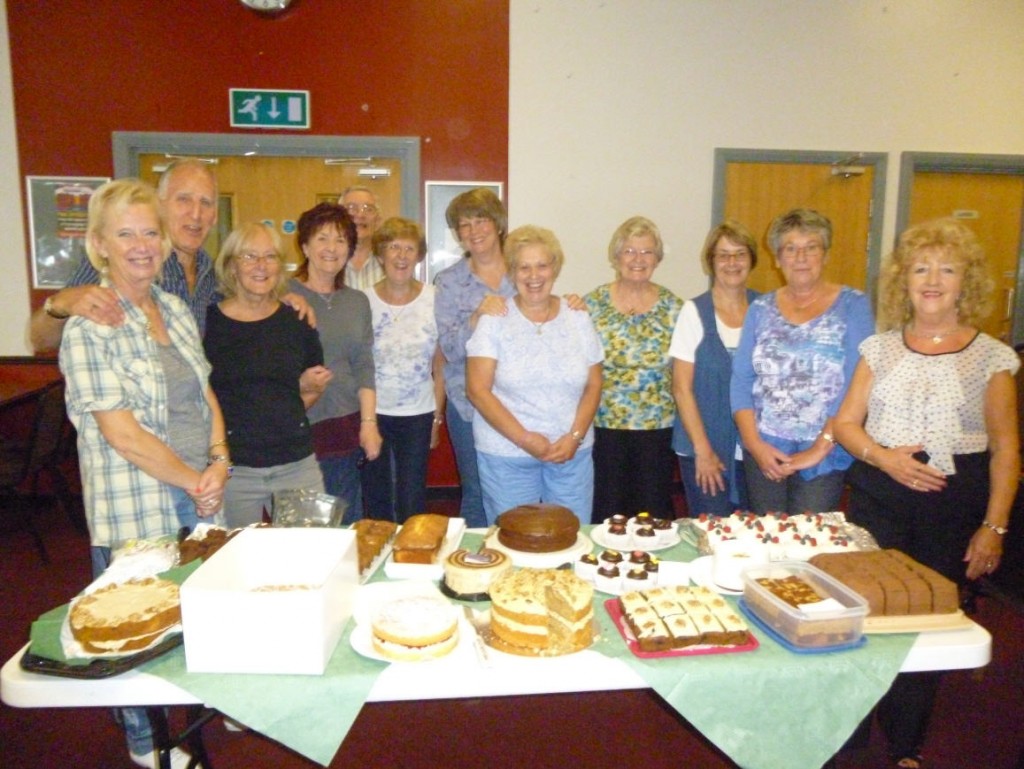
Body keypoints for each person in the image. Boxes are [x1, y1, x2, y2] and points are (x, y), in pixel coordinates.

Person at [833, 219, 1018, 769]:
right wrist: (884, 457)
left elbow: (1006, 450)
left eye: (946, 269)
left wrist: (995, 527)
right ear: (903, 282)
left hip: (951, 505)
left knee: (928, 618)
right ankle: (852, 732)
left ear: (967, 282)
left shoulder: (992, 358)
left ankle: (907, 742)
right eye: (920, 269)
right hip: (877, 495)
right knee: (864, 612)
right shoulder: (879, 348)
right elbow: (846, 424)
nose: (932, 280)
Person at [59, 179, 229, 769]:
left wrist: (220, 457)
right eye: (125, 233)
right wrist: (193, 478)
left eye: (149, 232)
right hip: (140, 503)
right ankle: (144, 742)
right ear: (100, 246)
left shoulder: (177, 309)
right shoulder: (88, 324)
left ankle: (193, 714)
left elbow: (204, 390)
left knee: (195, 614)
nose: (141, 245)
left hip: (199, 490)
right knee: (133, 629)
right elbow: (121, 433)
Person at [29, 157, 313, 351]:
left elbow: (244, 312)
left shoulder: (213, 274)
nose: (196, 214)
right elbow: (40, 339)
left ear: (215, 216)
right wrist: (60, 304)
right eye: (184, 200)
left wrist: (282, 301)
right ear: (160, 205)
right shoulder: (123, 262)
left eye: (206, 203)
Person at [730, 208, 874, 514]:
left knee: (809, 541)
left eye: (811, 247)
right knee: (768, 539)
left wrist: (820, 448)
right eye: (791, 249)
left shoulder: (853, 305)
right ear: (777, 258)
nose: (801, 257)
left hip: (824, 450)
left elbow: (857, 385)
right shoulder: (760, 309)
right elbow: (741, 379)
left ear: (825, 254)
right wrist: (754, 444)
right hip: (765, 448)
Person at [466, 225, 604, 524]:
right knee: (514, 542)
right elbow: (477, 390)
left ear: (555, 268)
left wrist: (575, 437)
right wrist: (525, 439)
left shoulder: (577, 315)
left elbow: (594, 384)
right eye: (524, 267)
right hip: (507, 455)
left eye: (542, 265)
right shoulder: (495, 319)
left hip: (571, 454)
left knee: (572, 537)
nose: (534, 276)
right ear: (512, 272)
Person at [204, 223, 330, 528]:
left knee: (310, 556)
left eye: (270, 257)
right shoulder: (208, 323)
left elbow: (313, 387)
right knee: (237, 563)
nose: (261, 266)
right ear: (232, 266)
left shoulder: (297, 320)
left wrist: (280, 412)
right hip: (235, 470)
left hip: (296, 463)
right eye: (249, 256)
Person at [584, 216, 682, 521]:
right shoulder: (591, 305)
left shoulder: (675, 308)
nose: (638, 259)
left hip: (657, 428)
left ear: (658, 259)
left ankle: (652, 567)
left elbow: (683, 376)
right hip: (604, 425)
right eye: (629, 251)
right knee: (607, 510)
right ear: (616, 257)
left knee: (652, 512)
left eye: (647, 252)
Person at [288, 203, 381, 522]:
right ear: (304, 245)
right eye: (322, 238)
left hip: (344, 426)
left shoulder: (357, 301)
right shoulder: (282, 295)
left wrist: (369, 424)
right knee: (301, 524)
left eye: (341, 240)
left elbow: (364, 364)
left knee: (346, 518)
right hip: (298, 425)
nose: (331, 248)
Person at [435, 187, 515, 527]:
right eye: (464, 225)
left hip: (520, 401)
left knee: (518, 487)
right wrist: (475, 317)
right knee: (478, 492)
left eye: (480, 220)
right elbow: (449, 349)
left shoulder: (524, 271)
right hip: (469, 404)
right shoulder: (449, 282)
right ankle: (477, 569)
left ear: (497, 224)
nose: (473, 230)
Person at [670, 221, 760, 516]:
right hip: (705, 447)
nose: (731, 263)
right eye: (723, 255)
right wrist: (703, 450)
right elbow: (682, 389)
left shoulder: (767, 309)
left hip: (755, 450)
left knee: (756, 534)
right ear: (711, 261)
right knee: (712, 532)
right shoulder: (693, 312)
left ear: (751, 260)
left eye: (739, 254)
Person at [362, 217, 445, 522]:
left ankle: (412, 561)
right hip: (374, 413)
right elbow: (360, 363)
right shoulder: (364, 301)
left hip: (418, 413)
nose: (401, 255)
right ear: (381, 255)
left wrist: (437, 417)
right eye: (393, 247)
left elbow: (439, 364)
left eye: (409, 248)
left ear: (419, 255)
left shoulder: (433, 299)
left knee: (412, 499)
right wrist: (365, 419)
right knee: (377, 496)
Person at [341, 186, 385, 290]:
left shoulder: (390, 263)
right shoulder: (328, 262)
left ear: (378, 221)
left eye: (368, 209)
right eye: (352, 208)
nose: (360, 215)